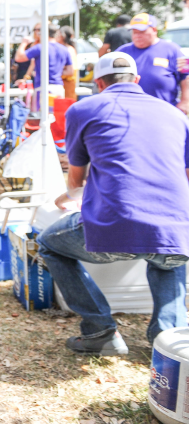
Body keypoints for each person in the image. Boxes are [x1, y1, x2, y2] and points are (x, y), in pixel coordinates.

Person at [38, 52, 189, 355]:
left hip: (116, 225)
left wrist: (64, 199)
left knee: (48, 243)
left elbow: (76, 181)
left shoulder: (84, 108)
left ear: (98, 83)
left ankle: (100, 330)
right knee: (167, 257)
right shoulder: (176, 114)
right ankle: (168, 343)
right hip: (179, 228)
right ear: (137, 80)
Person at [117, 13, 189, 114]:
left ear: (154, 30)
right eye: (134, 32)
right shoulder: (122, 51)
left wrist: (185, 101)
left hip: (165, 111)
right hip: (129, 112)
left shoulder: (172, 49)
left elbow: (185, 76)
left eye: (142, 32)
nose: (137, 36)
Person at [15, 23, 73, 108]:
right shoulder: (64, 49)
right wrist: (55, 72)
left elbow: (19, 57)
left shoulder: (40, 47)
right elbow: (70, 71)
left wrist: (24, 43)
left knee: (40, 118)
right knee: (56, 117)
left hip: (43, 89)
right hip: (58, 88)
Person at [57, 25, 78, 100]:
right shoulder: (61, 48)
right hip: (61, 83)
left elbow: (72, 70)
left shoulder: (69, 49)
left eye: (58, 34)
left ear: (63, 36)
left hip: (67, 84)